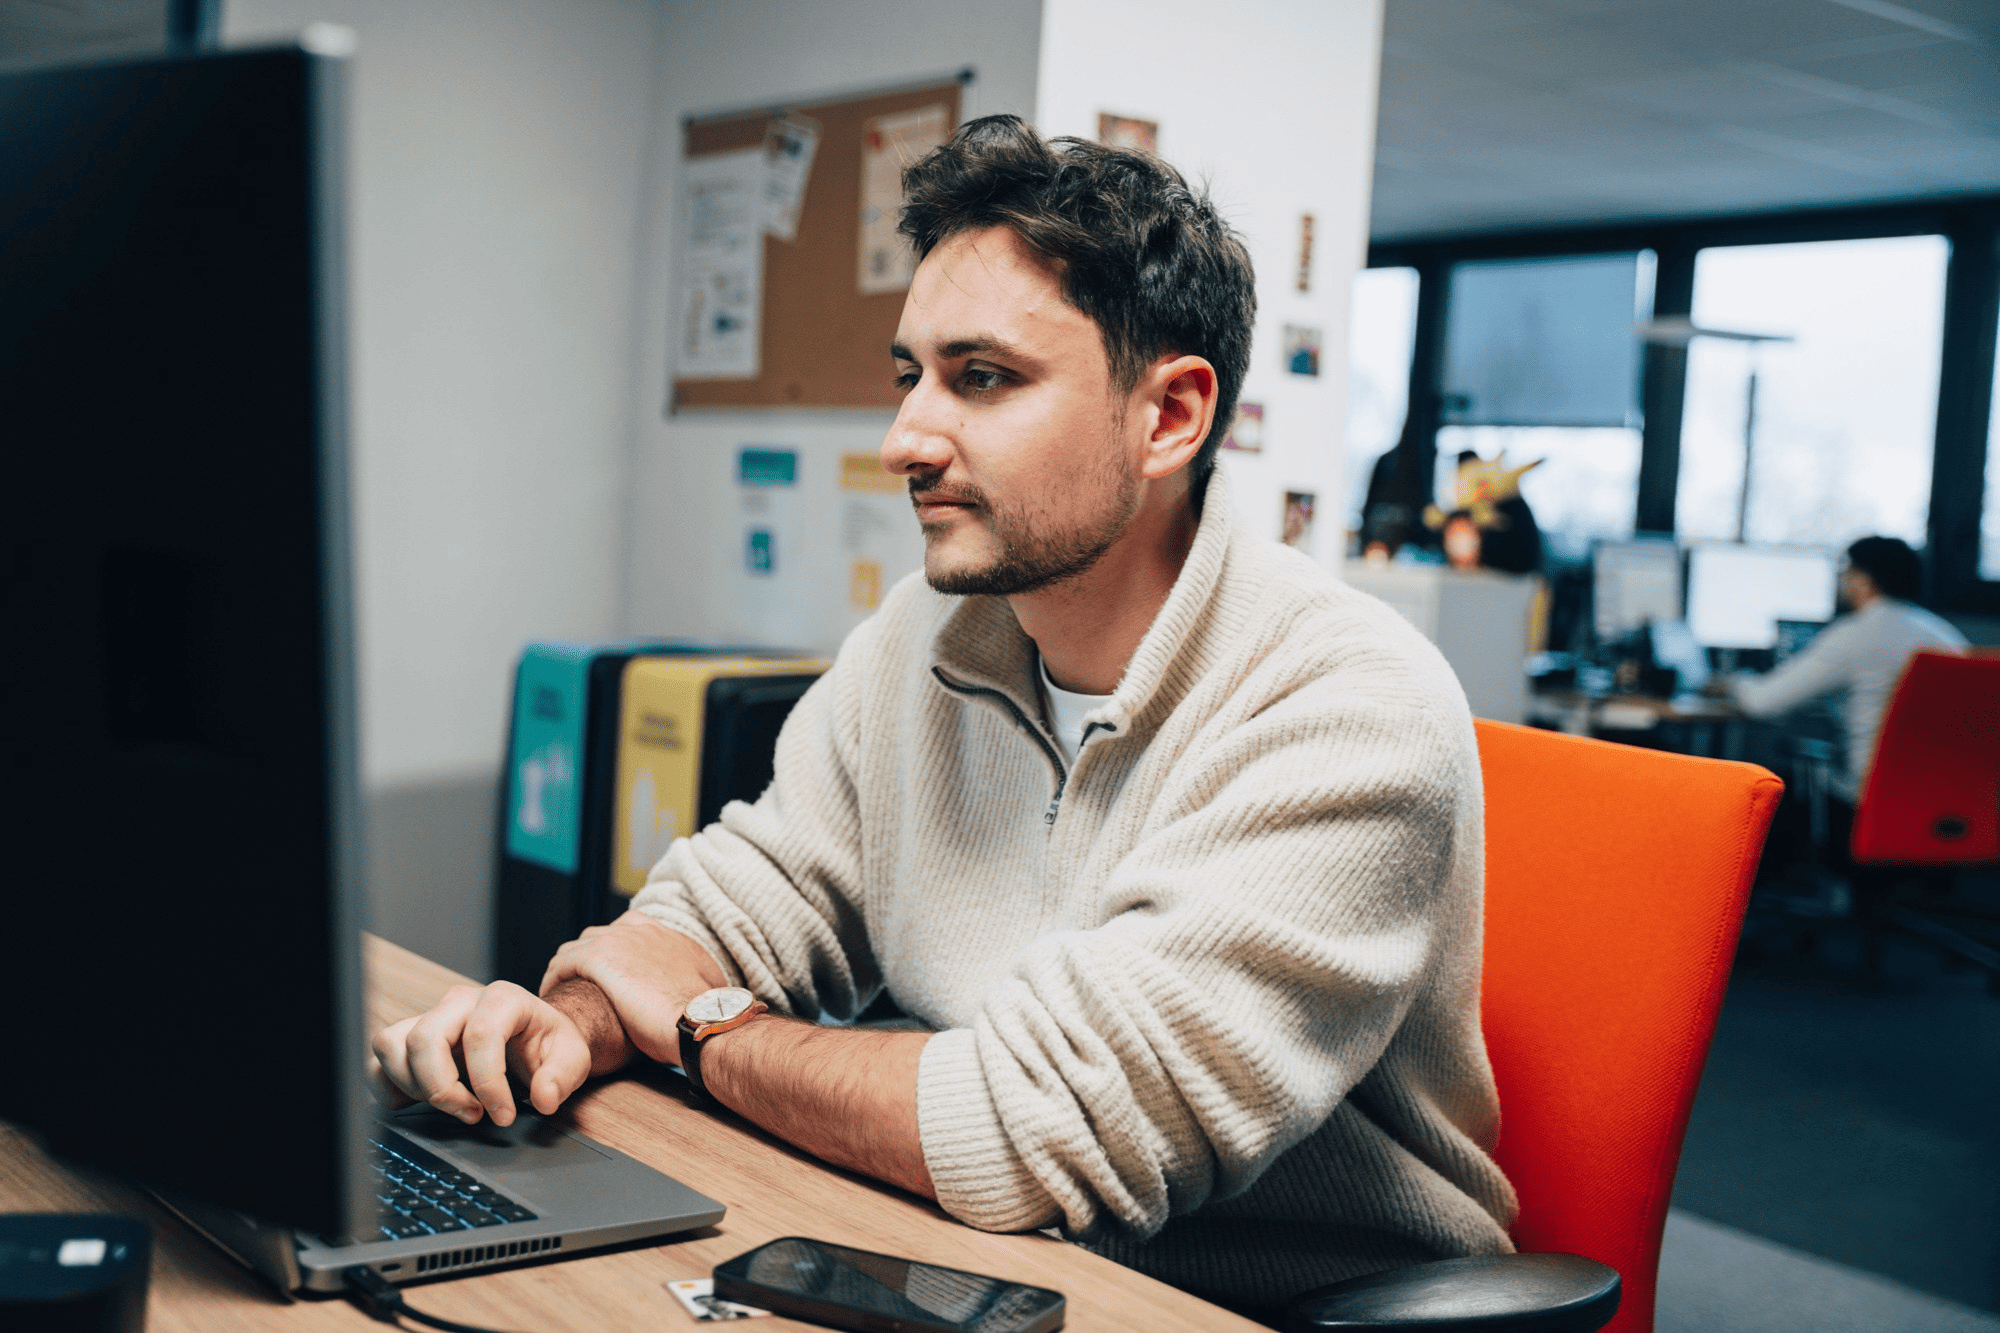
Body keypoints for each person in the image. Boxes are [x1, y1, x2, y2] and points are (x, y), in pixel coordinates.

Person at [373, 116, 1515, 1316]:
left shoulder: (1345, 703)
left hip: (1258, 1303)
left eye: (981, 378)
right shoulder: (926, 633)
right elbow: (731, 909)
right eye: (908, 376)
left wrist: (708, 1029)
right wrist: (570, 1021)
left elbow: (1031, 1131)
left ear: (1169, 416)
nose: (903, 441)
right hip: (980, 1265)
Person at [1731, 536, 1967, 806]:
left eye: (1847, 570)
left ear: (1862, 580)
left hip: (1870, 797)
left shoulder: (1856, 633)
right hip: (1949, 798)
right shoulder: (1948, 637)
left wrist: (1734, 682)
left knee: (1782, 780)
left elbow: (1761, 703)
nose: (1841, 578)